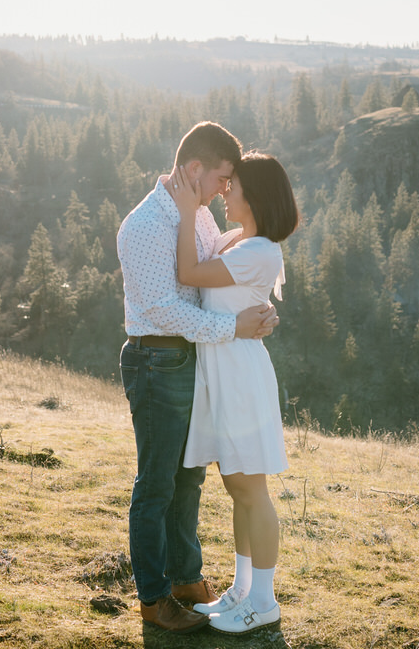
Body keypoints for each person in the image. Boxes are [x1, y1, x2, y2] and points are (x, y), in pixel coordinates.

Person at [116, 122, 279, 634]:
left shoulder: (200, 216)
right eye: (221, 179)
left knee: (189, 477)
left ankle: (187, 579)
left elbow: (221, 268)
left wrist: (259, 305)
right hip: (157, 359)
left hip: (192, 361)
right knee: (156, 484)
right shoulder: (142, 227)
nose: (224, 190)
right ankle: (154, 597)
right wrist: (234, 327)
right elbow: (164, 309)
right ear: (194, 170)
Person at [168, 151, 297, 634]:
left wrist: (184, 212)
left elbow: (188, 273)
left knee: (250, 488)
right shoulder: (235, 240)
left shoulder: (260, 249)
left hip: (240, 378)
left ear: (255, 195)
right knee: (236, 486)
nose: (226, 191)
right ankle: (242, 590)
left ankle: (263, 600)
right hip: (222, 374)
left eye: (234, 185)